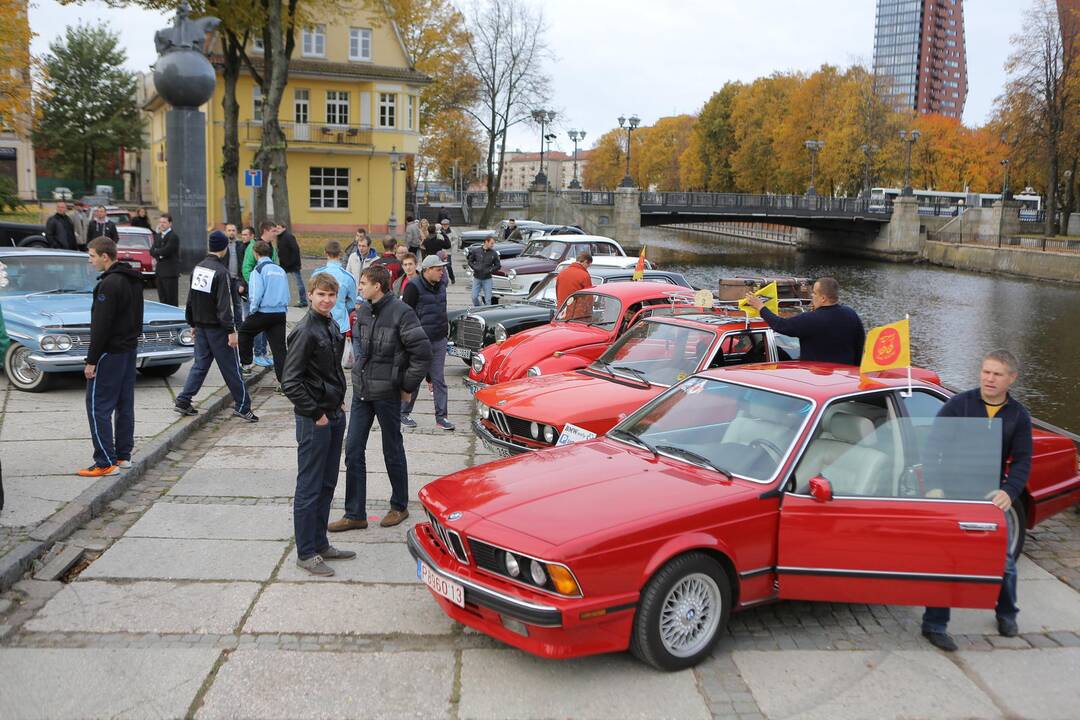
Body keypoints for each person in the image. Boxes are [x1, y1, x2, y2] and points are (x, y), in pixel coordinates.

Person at [919, 350, 1033, 653]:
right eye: (985, 372)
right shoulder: (959, 405)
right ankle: (934, 624)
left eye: (997, 374)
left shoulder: (1018, 416)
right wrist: (934, 487)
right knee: (946, 562)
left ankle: (1006, 614)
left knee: (1004, 564)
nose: (989, 379)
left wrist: (1009, 491)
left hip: (989, 499)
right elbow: (933, 447)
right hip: (951, 495)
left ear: (1011, 378)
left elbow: (1022, 461)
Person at [330, 265, 431, 532]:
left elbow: (422, 353)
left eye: (363, 283)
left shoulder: (402, 312)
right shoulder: (363, 311)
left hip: (388, 392)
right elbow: (362, 349)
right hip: (362, 392)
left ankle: (399, 505)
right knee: (352, 450)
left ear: (378, 285)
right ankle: (355, 514)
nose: (359, 287)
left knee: (392, 449)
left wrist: (407, 385)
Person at [281, 273, 355, 576]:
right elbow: (291, 381)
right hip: (315, 420)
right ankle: (306, 552)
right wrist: (316, 413)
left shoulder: (331, 324)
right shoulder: (305, 330)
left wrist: (336, 401)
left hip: (333, 414)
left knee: (327, 483)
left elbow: (331, 371)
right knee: (309, 486)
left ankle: (321, 543)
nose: (326, 300)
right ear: (310, 295)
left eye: (331, 295)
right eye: (321, 294)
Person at [173, 231, 258, 422]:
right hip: (218, 329)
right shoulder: (222, 273)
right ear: (225, 248)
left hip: (201, 327)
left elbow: (190, 299)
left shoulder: (198, 268)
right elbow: (224, 305)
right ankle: (243, 406)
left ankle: (184, 400)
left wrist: (192, 322)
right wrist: (231, 330)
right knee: (232, 368)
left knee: (200, 365)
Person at [80, 237, 143, 477]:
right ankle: (122, 456)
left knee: (98, 407)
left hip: (110, 353)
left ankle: (105, 461)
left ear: (105, 256)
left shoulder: (109, 284)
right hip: (129, 350)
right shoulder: (133, 280)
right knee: (124, 404)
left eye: (92, 256)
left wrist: (91, 360)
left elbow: (101, 326)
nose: (90, 260)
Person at [743, 277, 865, 365]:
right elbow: (860, 344)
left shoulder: (811, 319)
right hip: (845, 376)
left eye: (814, 293)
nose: (812, 296)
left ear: (823, 298)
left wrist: (761, 307)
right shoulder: (851, 314)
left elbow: (781, 325)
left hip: (815, 376)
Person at [401, 254, 454, 430]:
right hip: (419, 342)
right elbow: (405, 316)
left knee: (439, 380)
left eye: (443, 269)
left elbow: (441, 311)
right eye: (439, 269)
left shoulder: (442, 286)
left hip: (439, 340)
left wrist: (445, 333)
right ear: (427, 270)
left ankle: (442, 418)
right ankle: (403, 413)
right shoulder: (413, 287)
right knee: (414, 380)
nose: (442, 273)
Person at [238, 240, 289, 383]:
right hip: (279, 313)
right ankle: (284, 383)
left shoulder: (258, 270)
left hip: (263, 312)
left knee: (244, 332)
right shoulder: (280, 270)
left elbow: (256, 294)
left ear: (255, 253)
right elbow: (287, 293)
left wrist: (253, 310)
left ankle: (246, 364)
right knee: (279, 349)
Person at [242, 222, 280, 367]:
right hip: (257, 293)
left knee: (266, 326)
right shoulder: (254, 246)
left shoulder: (272, 247)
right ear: (265, 231)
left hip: (269, 294)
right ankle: (257, 353)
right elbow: (246, 268)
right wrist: (254, 286)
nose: (275, 233)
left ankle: (263, 352)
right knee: (257, 324)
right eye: (273, 231)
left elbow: (275, 266)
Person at [310, 240, 357, 338]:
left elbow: (312, 298)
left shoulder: (316, 274)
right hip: (340, 324)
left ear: (325, 253)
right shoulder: (348, 277)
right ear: (340, 253)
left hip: (319, 323)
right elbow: (351, 303)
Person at [275, 220, 307, 308]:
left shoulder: (288, 236)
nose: (277, 230)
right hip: (283, 265)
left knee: (298, 283)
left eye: (279, 228)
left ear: (284, 228)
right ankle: (279, 299)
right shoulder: (279, 237)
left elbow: (295, 249)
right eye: (276, 228)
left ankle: (303, 300)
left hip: (292, 265)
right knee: (280, 282)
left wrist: (292, 262)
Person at [150, 213, 180, 306]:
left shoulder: (173, 236)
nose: (161, 224)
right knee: (162, 300)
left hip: (170, 273)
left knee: (171, 300)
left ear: (170, 223)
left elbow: (167, 251)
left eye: (164, 222)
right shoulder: (158, 236)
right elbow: (151, 251)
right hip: (159, 272)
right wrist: (159, 253)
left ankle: (173, 319)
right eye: (160, 222)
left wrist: (157, 252)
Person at [222, 223, 247, 325]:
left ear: (236, 232)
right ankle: (227, 324)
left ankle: (239, 325)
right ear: (225, 232)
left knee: (237, 304)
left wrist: (243, 282)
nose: (231, 232)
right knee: (225, 304)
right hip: (225, 279)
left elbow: (245, 264)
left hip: (237, 279)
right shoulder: (222, 245)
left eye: (233, 230)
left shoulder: (241, 245)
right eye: (229, 230)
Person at [467, 234, 501, 306]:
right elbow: (470, 261)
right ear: (486, 242)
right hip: (477, 278)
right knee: (474, 297)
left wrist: (490, 270)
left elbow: (498, 265)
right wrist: (474, 267)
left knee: (488, 300)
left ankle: (487, 314)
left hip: (487, 279)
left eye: (493, 243)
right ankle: (478, 309)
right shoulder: (476, 251)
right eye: (491, 243)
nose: (492, 245)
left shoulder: (494, 253)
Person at [438, 218, 457, 284]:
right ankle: (441, 279)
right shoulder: (439, 231)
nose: (445, 226)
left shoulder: (452, 231)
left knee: (448, 266)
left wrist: (451, 243)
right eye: (443, 225)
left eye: (446, 224)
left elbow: (455, 238)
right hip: (441, 251)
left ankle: (452, 278)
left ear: (448, 225)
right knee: (441, 266)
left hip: (448, 251)